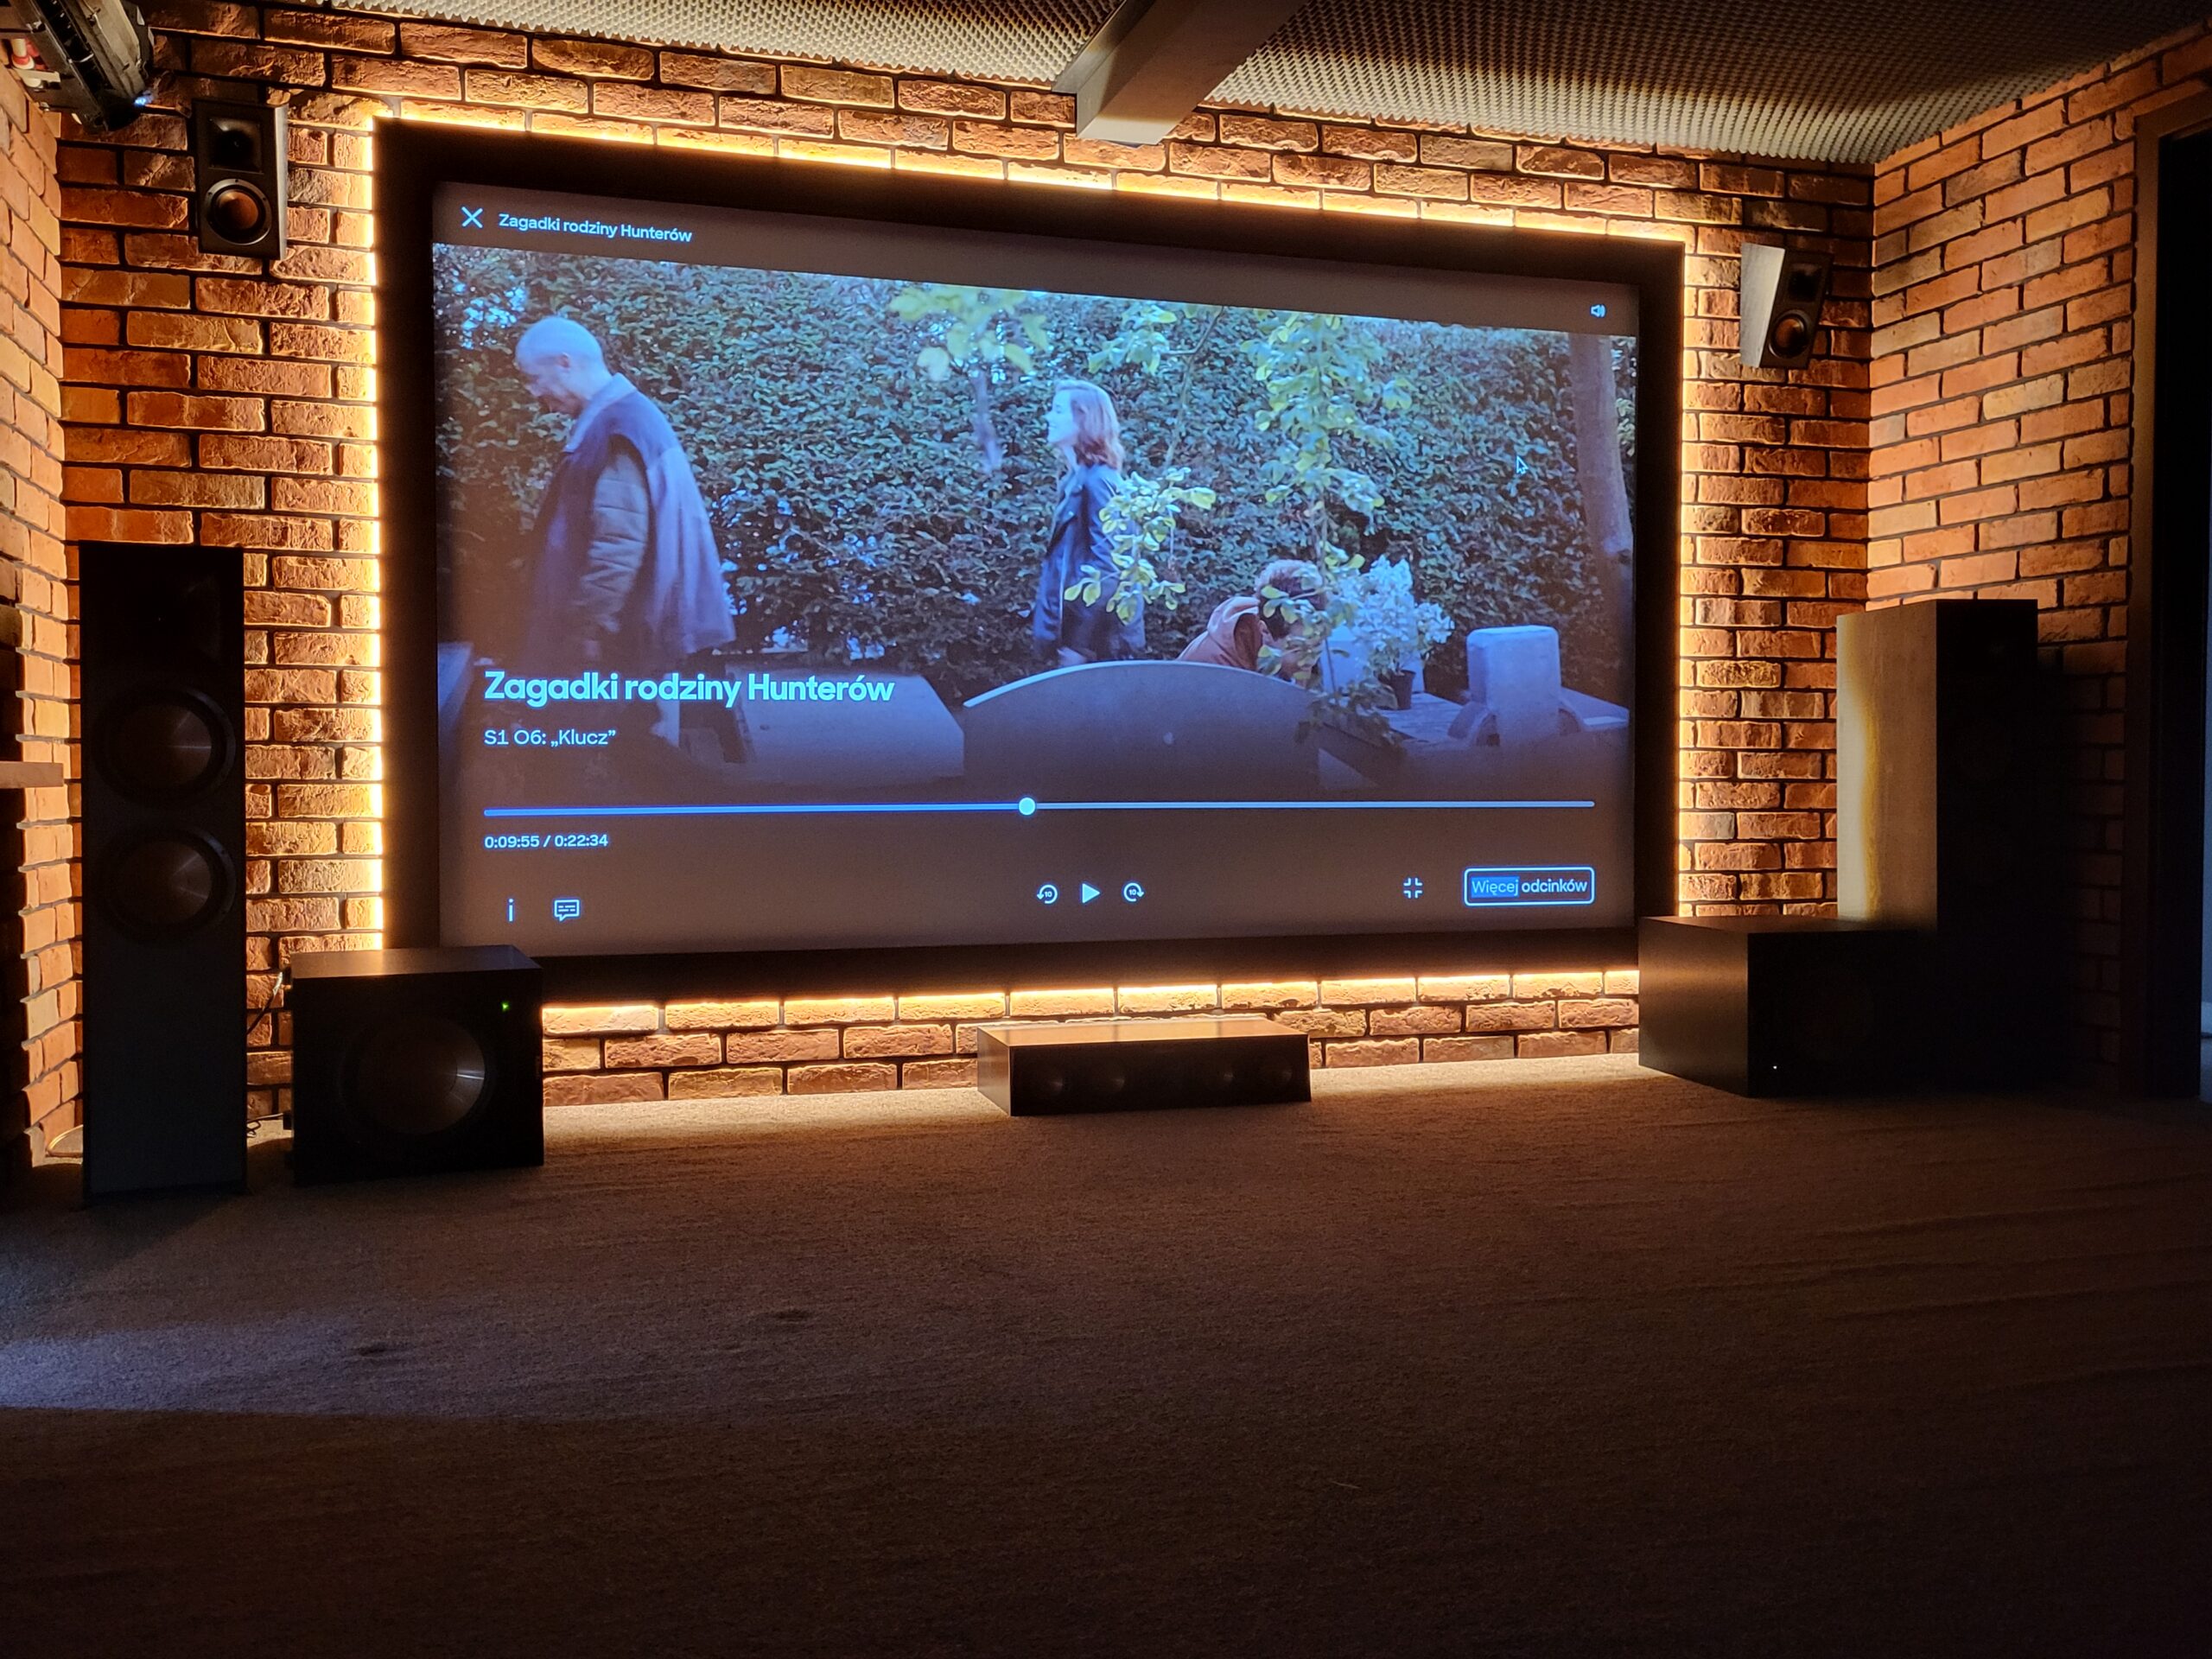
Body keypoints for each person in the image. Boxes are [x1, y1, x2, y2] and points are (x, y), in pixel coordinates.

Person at [512, 317, 734, 717]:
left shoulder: (617, 429)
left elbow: (616, 549)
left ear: (564, 362)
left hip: (609, 649)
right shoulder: (625, 419)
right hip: (622, 641)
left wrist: (584, 633)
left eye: (534, 378)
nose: (533, 393)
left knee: (602, 746)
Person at [1032, 379, 1143, 667]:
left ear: (1084, 419)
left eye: (1058, 411)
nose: (1048, 417)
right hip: (1076, 645)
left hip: (1097, 651)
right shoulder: (1076, 481)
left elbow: (1110, 567)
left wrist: (1079, 645)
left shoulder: (1098, 481)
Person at [1179, 558, 1326, 678]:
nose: (1311, 661)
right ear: (1265, 632)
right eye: (1297, 649)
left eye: (1317, 645)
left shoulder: (1298, 651)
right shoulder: (1212, 667)